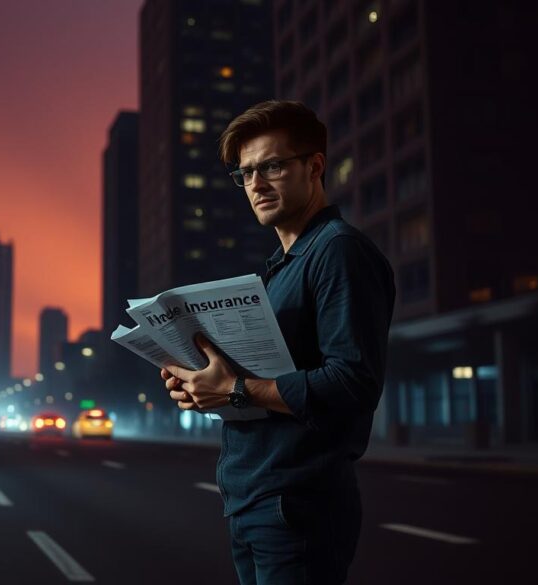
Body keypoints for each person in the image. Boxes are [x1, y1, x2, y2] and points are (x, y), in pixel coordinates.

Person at [161, 100, 395, 584]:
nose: (256, 185)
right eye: (245, 174)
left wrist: (237, 390)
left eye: (271, 166)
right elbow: (262, 379)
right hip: (256, 501)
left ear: (314, 166)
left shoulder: (338, 251)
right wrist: (202, 385)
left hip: (297, 502)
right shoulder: (279, 267)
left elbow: (353, 383)